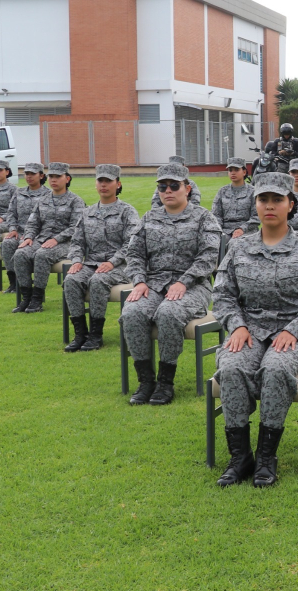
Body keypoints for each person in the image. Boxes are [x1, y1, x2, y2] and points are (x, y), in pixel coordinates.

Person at [213, 172, 298, 488]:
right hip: (250, 329)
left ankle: (267, 457)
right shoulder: (239, 248)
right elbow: (223, 293)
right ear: (255, 204)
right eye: (263, 199)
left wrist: (295, 330)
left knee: (276, 368)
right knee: (229, 366)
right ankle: (240, 457)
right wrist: (237, 326)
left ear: (290, 205)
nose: (269, 206)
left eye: (277, 200)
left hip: (297, 333)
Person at [122, 161, 221, 406]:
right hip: (154, 284)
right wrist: (139, 281)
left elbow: (209, 257)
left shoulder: (204, 218)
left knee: (168, 312)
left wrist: (184, 281)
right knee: (132, 312)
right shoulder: (149, 218)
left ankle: (166, 382)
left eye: (174, 186)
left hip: (194, 286)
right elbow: (133, 254)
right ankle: (146, 381)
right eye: (162, 186)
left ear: (187, 188)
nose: (167, 190)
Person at [63, 165, 140, 352]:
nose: (104, 185)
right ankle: (80, 334)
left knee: (98, 281)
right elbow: (76, 242)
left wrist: (112, 261)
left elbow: (132, 243)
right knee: (71, 280)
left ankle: (96, 335)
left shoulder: (127, 212)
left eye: (108, 181)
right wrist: (76, 261)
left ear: (118, 184)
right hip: (91, 263)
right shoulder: (87, 212)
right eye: (100, 181)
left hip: (120, 266)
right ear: (96, 184)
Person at [11, 162, 85, 314]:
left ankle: (37, 299)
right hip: (42, 239)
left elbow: (76, 228)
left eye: (58, 176)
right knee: (20, 253)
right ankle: (26, 297)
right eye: (51, 176)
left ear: (67, 179)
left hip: (67, 243)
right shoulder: (43, 200)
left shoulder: (75, 201)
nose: (53, 180)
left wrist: (57, 239)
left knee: (42, 255)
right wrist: (29, 237)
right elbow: (33, 222)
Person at [0, 162, 49, 294]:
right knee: (7, 243)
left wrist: (31, 235)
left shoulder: (48, 195)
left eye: (33, 174)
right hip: (19, 231)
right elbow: (11, 213)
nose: (29, 176)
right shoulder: (19, 193)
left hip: (38, 235)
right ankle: (13, 282)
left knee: (23, 249)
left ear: (41, 175)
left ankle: (27, 284)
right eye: (27, 173)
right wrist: (13, 229)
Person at [211, 157, 255, 240]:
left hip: (246, 232)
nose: (233, 173)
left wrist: (242, 229)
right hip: (225, 230)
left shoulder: (252, 192)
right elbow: (216, 214)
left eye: (236, 170)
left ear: (244, 172)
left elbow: (256, 217)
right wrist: (219, 230)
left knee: (236, 244)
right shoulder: (222, 191)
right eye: (230, 170)